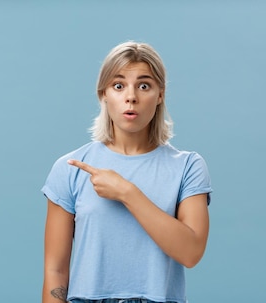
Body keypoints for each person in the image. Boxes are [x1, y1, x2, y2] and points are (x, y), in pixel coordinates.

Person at [42, 41, 213, 303]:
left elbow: (190, 252)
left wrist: (127, 192)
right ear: (103, 95)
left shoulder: (188, 166)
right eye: (118, 85)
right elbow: (55, 270)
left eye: (144, 85)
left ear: (160, 95)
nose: (131, 96)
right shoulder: (71, 168)